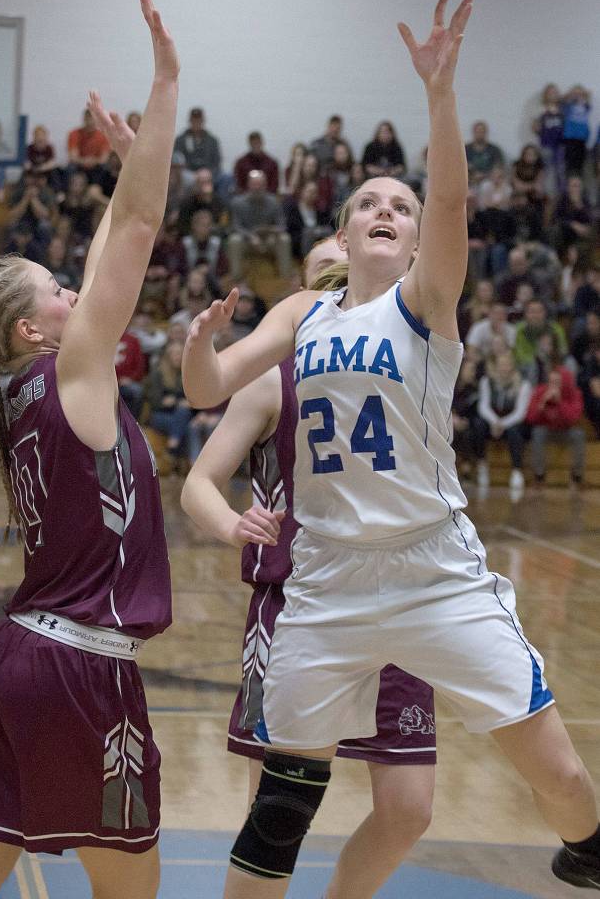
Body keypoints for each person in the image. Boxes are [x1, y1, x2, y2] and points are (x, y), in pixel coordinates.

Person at [182, 0, 600, 896]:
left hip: (433, 571)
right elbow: (207, 389)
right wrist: (194, 346)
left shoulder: (424, 305)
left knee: (565, 786)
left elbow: (451, 193)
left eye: (399, 206)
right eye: (366, 202)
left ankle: (589, 849)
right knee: (281, 808)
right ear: (341, 234)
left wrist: (439, 96)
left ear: (414, 240)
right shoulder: (302, 312)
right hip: (326, 583)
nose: (385, 209)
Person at [0, 0, 179, 899]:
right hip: (80, 671)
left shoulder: (21, 389)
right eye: (54, 289)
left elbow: (99, 261)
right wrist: (166, 83)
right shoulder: (72, 372)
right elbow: (132, 230)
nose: (73, 292)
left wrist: (131, 163)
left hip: (9, 665)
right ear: (31, 332)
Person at [181, 235, 436, 899]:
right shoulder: (274, 374)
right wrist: (233, 524)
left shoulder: (415, 361)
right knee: (277, 807)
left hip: (397, 599)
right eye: (329, 265)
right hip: (296, 602)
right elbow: (197, 484)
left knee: (409, 808)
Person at [476, 350, 531, 495]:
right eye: (501, 364)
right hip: (493, 419)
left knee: (515, 432)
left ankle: (517, 471)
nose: (504, 368)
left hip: (511, 421)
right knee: (478, 425)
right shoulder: (487, 381)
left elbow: (520, 412)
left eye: (507, 364)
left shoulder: (523, 384)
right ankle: (482, 465)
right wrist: (494, 421)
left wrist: (502, 424)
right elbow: (483, 406)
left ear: (512, 366)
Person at [526, 366, 586, 488]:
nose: (553, 386)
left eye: (557, 382)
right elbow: (530, 418)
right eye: (551, 382)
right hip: (547, 430)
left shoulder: (575, 394)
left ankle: (577, 477)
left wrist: (560, 402)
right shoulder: (540, 391)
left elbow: (572, 419)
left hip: (566, 431)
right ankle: (539, 476)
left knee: (579, 435)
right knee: (537, 432)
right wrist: (541, 405)